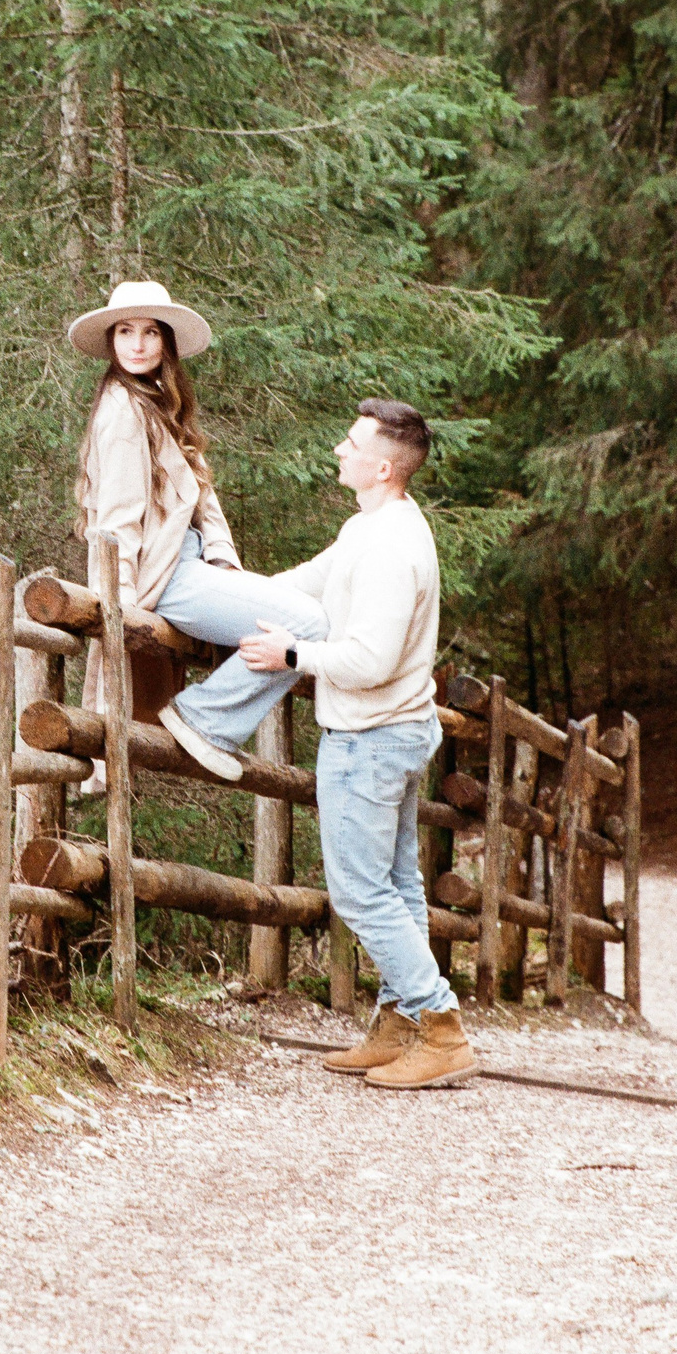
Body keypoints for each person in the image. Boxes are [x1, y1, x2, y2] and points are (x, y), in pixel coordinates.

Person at [236, 399, 477, 1090]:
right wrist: (226, 597)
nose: (337, 449)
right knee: (397, 885)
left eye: (350, 442)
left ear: (381, 465)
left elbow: (369, 659)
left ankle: (441, 1028)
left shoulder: (392, 548)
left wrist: (291, 655)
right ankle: (401, 1023)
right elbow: (305, 581)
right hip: (390, 734)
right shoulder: (367, 529)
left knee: (360, 891)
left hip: (371, 738)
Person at [69, 281, 329, 783]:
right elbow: (117, 521)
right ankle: (204, 719)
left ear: (165, 342)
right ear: (112, 341)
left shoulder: (160, 402)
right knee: (307, 625)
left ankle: (205, 718)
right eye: (125, 331)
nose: (138, 344)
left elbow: (202, 495)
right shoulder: (122, 411)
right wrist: (118, 605)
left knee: (308, 616)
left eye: (149, 332)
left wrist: (224, 560)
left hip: (189, 566)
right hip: (164, 576)